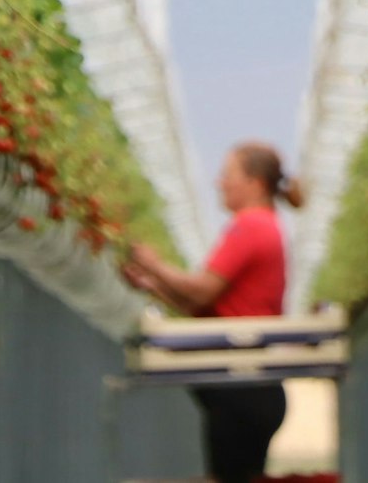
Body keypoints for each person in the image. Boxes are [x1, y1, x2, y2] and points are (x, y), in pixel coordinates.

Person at [123, 141, 305, 483]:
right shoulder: (265, 225)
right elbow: (201, 305)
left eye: (227, 175)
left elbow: (201, 290)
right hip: (248, 386)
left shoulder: (251, 225)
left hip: (239, 384)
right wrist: (154, 283)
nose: (219, 183)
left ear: (254, 184)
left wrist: (155, 265)